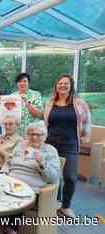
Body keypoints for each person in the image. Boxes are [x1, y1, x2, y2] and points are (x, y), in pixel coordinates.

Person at [44, 74, 91, 218]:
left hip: (70, 144)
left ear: (71, 86)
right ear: (56, 86)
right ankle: (55, 202)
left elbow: (87, 119)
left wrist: (84, 136)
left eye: (66, 84)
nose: (62, 86)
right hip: (51, 143)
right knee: (53, 175)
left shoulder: (78, 103)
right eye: (60, 84)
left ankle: (66, 206)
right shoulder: (50, 102)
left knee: (70, 176)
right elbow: (46, 121)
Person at [3, 122, 60, 193]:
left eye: (38, 135)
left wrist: (42, 163)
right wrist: (4, 171)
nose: (34, 137)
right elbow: (8, 161)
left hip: (30, 189)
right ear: (27, 135)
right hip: (10, 183)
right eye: (31, 134)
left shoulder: (50, 150)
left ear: (44, 136)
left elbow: (54, 178)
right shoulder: (20, 145)